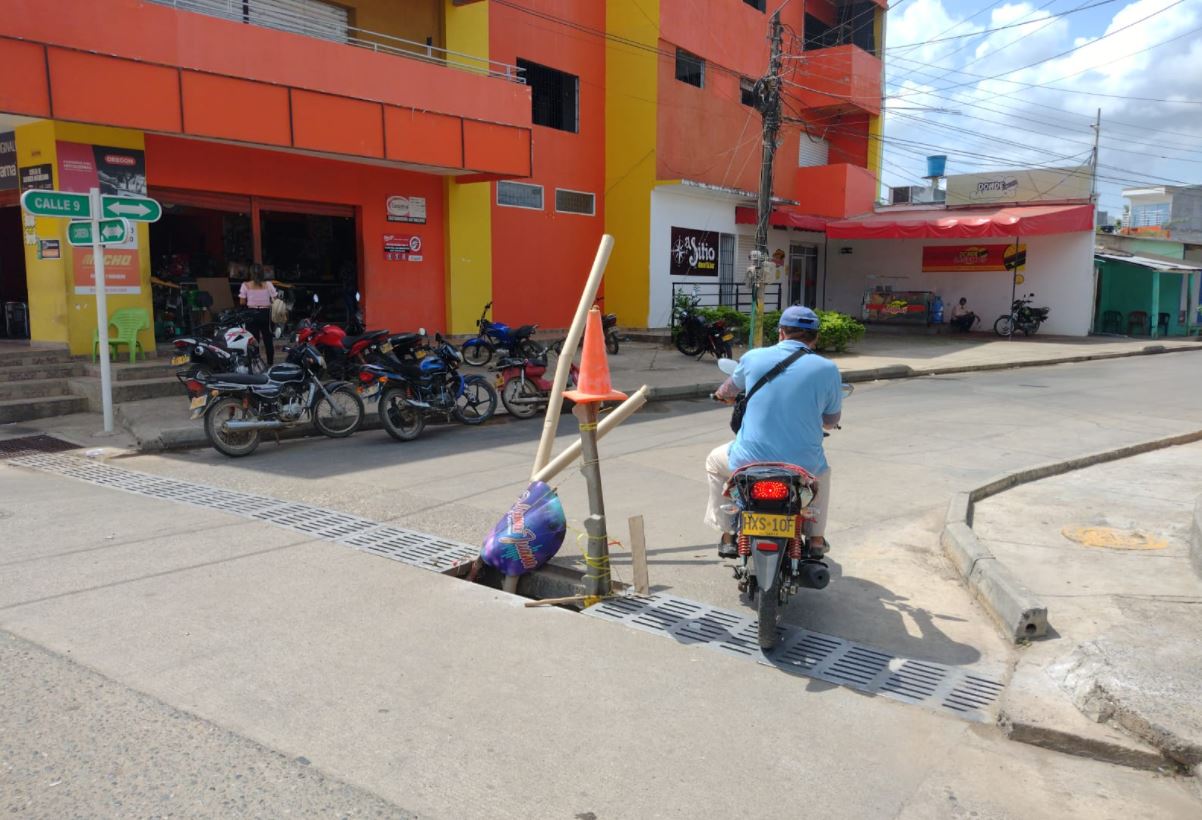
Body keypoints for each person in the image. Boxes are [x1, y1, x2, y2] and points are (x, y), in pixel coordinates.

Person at [706, 306, 842, 559]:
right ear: (816, 337)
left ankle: (727, 535)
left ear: (781, 332)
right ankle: (815, 539)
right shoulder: (828, 369)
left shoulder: (753, 358)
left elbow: (727, 391)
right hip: (803, 465)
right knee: (822, 474)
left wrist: (720, 396)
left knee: (714, 462)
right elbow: (831, 420)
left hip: (747, 462)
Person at [239, 263, 277, 367]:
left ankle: (256, 364)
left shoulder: (245, 285)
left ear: (251, 273)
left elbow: (242, 302)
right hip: (266, 314)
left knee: (253, 341)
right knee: (268, 340)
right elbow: (275, 299)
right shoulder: (268, 284)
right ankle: (270, 364)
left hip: (251, 315)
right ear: (262, 273)